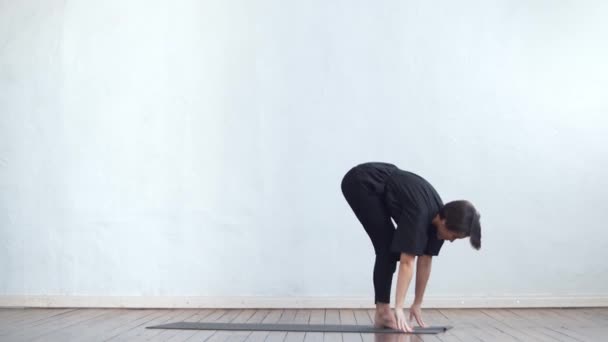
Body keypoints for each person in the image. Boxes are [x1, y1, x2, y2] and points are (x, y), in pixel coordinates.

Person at [341, 162, 481, 332]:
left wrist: (417, 304)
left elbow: (426, 259)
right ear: (444, 221)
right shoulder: (420, 215)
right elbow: (407, 261)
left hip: (382, 186)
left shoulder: (439, 222)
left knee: (391, 247)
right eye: (454, 236)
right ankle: (383, 312)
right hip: (362, 182)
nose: (451, 241)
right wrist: (399, 308)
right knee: (387, 248)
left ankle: (384, 312)